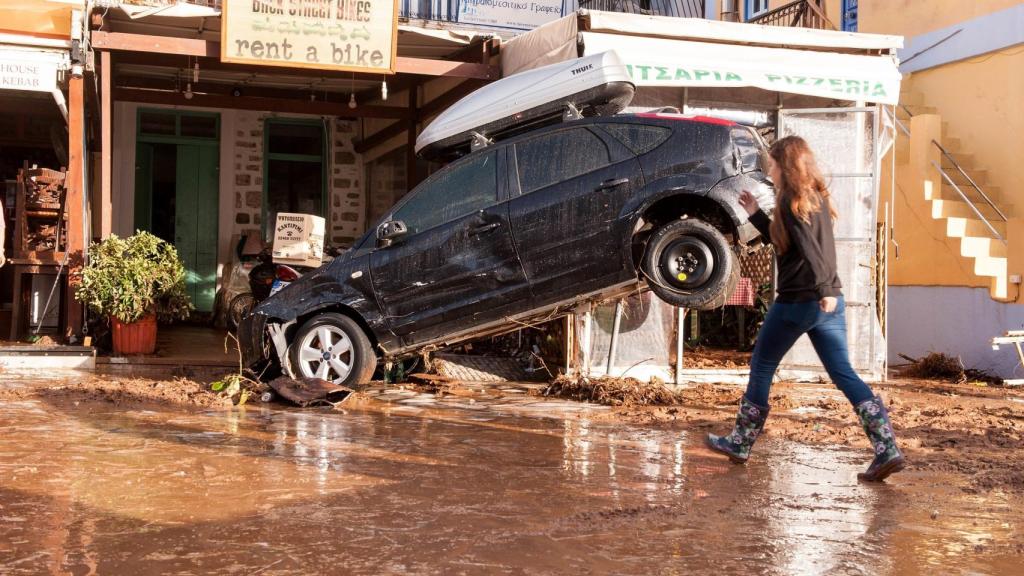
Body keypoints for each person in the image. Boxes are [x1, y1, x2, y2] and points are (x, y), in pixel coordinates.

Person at [706, 135, 904, 482]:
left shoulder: (791, 202)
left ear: (785, 165)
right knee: (843, 374)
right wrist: (756, 216)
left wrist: (823, 288)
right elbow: (789, 244)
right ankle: (886, 448)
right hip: (828, 303)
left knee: (762, 364)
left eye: (772, 164)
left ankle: (740, 442)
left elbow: (811, 249)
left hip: (799, 301)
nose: (769, 170)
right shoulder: (815, 199)